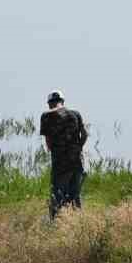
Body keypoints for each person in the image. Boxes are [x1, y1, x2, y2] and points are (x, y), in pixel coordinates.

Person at [39, 90, 88, 219]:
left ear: (50, 104)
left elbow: (48, 144)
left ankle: (54, 225)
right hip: (78, 161)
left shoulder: (46, 116)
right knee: (75, 196)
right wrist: (78, 148)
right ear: (63, 102)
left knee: (57, 196)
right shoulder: (75, 114)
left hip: (60, 163)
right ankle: (79, 224)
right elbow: (85, 135)